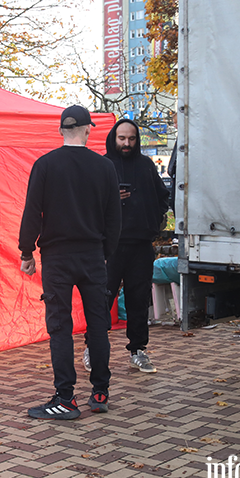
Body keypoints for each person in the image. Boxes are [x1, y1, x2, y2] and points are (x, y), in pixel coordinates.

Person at [18, 105, 121, 420]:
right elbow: (114, 219)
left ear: (61, 130)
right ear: (89, 130)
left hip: (57, 258)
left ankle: (65, 398)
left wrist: (26, 252)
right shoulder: (105, 168)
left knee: (60, 327)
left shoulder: (45, 165)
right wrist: (106, 252)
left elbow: (32, 212)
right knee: (98, 326)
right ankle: (100, 392)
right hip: (92, 255)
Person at [89, 118, 170, 374]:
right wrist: (111, 197)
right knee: (101, 299)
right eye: (122, 138)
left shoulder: (146, 165)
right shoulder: (101, 165)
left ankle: (138, 350)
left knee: (138, 299)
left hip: (141, 244)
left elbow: (162, 197)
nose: (127, 143)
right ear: (114, 138)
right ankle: (93, 348)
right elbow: (87, 204)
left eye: (132, 139)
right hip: (108, 246)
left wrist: (155, 224)